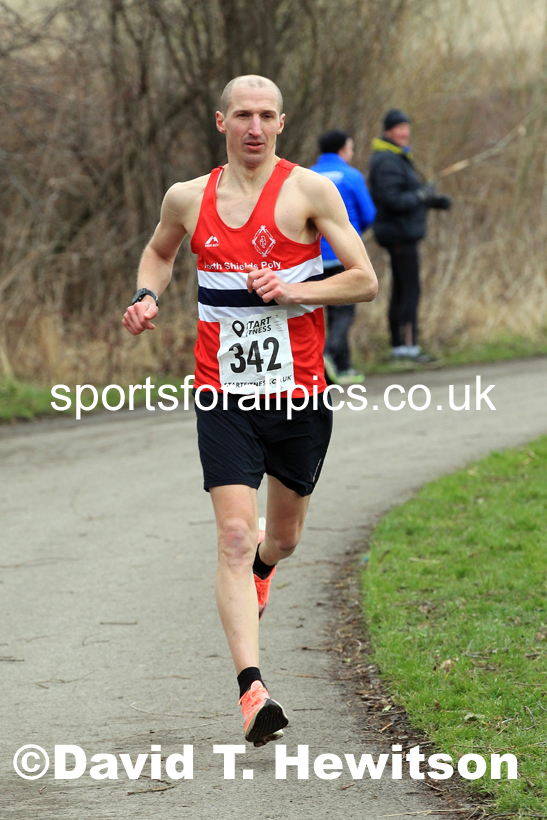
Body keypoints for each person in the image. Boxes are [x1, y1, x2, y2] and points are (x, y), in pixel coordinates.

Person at [122, 75, 378, 747]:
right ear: (221, 121)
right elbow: (158, 252)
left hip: (296, 397)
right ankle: (252, 691)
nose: (254, 126)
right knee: (234, 536)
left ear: (281, 123)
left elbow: (364, 279)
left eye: (266, 115)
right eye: (243, 114)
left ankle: (265, 570)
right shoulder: (188, 197)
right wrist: (147, 297)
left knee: (281, 539)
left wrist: (295, 287)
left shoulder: (309, 191)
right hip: (221, 396)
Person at [368, 108, 452, 362]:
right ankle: (407, 346)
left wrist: (433, 201)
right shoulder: (386, 159)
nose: (405, 132)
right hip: (398, 235)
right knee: (409, 289)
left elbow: (407, 195)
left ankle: (400, 346)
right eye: (399, 128)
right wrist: (421, 196)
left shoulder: (397, 157)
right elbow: (391, 199)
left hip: (402, 233)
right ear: (388, 131)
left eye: (406, 127)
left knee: (402, 288)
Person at [310, 130, 376, 385]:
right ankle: (326, 355)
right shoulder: (351, 176)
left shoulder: (304, 177)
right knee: (344, 312)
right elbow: (368, 214)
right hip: (342, 257)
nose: (353, 151)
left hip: (312, 258)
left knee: (323, 312)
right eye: (351, 146)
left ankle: (344, 368)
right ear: (342, 150)